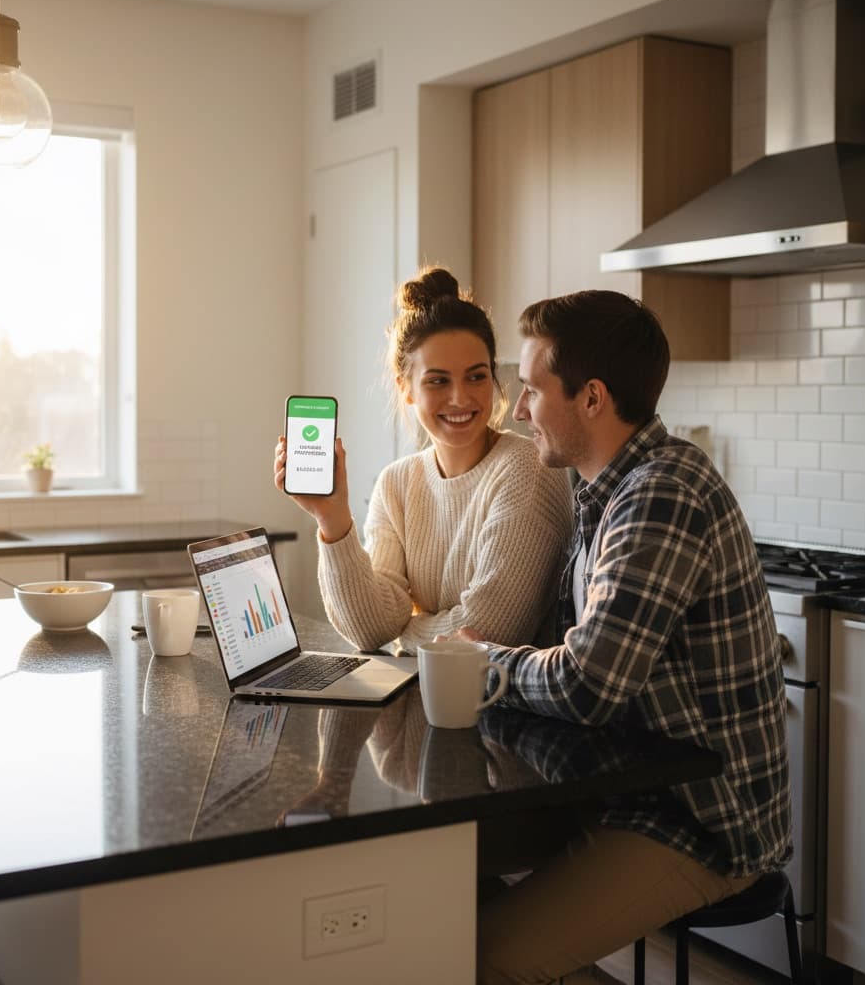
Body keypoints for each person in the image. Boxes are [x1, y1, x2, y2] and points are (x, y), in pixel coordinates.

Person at [458, 290, 791, 985]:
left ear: (592, 398)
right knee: (434, 894)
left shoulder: (660, 493)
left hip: (702, 821)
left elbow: (588, 682)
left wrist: (481, 662)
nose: (517, 410)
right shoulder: (607, 490)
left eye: (530, 388)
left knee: (483, 957)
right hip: (632, 793)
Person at [274, 267, 572, 655]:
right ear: (406, 388)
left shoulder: (526, 467)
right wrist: (332, 520)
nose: (461, 398)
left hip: (506, 707)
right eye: (438, 380)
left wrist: (406, 632)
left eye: (476, 377)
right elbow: (370, 629)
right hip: (431, 693)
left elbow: (487, 631)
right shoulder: (397, 482)